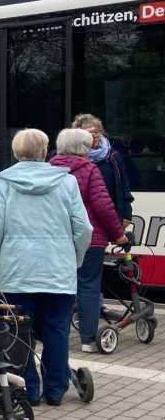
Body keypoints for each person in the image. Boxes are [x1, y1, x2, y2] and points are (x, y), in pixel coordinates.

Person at [0, 129, 91, 406]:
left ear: (16, 151)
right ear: (44, 150)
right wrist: (75, 258)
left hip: (17, 271)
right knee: (57, 329)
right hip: (58, 270)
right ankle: (56, 390)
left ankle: (28, 390)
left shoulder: (4, 182)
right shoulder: (67, 181)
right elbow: (83, 228)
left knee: (18, 330)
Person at [49, 128, 129, 353]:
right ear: (82, 148)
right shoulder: (90, 170)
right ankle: (87, 340)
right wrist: (118, 234)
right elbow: (103, 206)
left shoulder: (49, 169)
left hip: (58, 239)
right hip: (91, 239)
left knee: (61, 287)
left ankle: (58, 337)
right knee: (88, 286)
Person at [73, 114, 134, 230]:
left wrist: (126, 213)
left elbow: (124, 186)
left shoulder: (113, 156)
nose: (95, 135)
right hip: (80, 217)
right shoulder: (71, 157)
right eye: (90, 132)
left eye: (98, 131)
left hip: (107, 216)